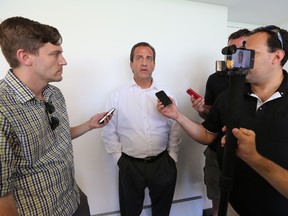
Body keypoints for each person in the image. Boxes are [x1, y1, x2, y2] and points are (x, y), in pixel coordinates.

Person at [158, 25, 288, 215]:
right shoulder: (229, 96)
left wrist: (254, 158)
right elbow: (208, 135)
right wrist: (177, 115)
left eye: (249, 54)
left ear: (276, 57)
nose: (239, 61)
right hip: (235, 205)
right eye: (238, 53)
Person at [0, 16, 112, 216]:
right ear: (25, 57)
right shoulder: (3, 110)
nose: (64, 61)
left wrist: (89, 125)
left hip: (74, 200)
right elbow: (2, 199)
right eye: (55, 54)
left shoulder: (53, 93)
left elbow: (55, 137)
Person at [102, 42, 182, 216]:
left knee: (162, 212)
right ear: (131, 64)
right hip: (130, 165)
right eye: (139, 58)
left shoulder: (166, 93)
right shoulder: (117, 95)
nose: (144, 63)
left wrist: (172, 156)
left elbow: (175, 126)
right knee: (129, 212)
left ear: (154, 64)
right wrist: (119, 159)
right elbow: (109, 130)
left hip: (162, 164)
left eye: (149, 58)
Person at [192, 29, 250, 216]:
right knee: (218, 202)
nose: (234, 55)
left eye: (240, 48)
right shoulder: (216, 80)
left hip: (248, 155)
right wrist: (201, 109)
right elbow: (210, 120)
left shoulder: (258, 82)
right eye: (230, 50)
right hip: (217, 150)